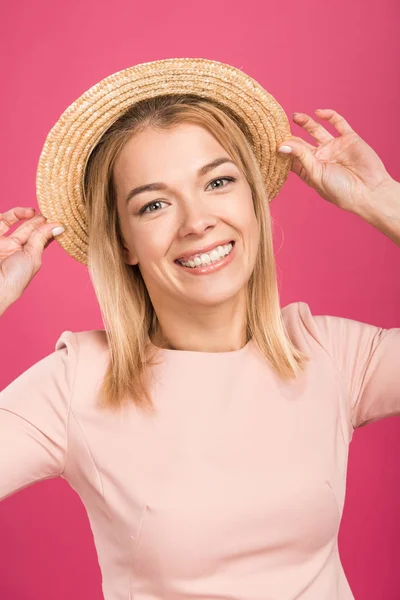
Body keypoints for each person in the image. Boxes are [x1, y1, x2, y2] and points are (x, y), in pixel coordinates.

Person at [0, 58, 399, 600]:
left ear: (252, 202)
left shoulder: (329, 353)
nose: (196, 221)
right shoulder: (78, 384)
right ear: (122, 243)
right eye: (155, 204)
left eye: (218, 182)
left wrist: (383, 202)